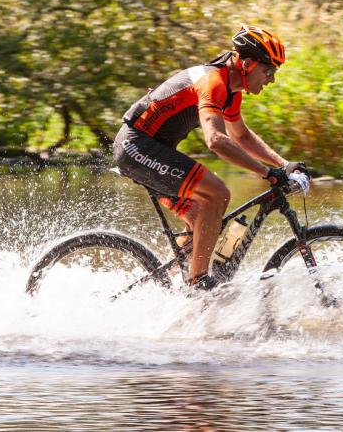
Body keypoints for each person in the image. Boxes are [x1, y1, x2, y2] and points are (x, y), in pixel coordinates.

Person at [113, 25, 301, 291]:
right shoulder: (213, 82)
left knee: (199, 215)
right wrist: (267, 173)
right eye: (268, 70)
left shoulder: (232, 90)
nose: (271, 79)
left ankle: (169, 289)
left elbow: (242, 137)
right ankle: (198, 282)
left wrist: (283, 165)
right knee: (217, 193)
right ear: (247, 64)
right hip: (136, 148)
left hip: (152, 149)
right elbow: (215, 141)